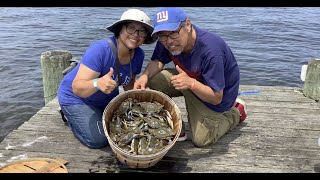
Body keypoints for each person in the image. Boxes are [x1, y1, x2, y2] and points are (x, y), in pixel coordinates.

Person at [134, 7, 247, 147]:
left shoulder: (211, 51)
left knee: (201, 139)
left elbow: (216, 97)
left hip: (216, 98)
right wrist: (144, 76)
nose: (169, 41)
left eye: (173, 33)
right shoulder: (167, 40)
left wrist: (191, 84)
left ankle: (236, 112)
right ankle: (175, 125)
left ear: (187, 25)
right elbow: (158, 61)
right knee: (152, 81)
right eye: (162, 35)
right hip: (188, 80)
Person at [57, 9, 156, 149]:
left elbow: (129, 83)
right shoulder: (101, 50)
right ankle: (69, 116)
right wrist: (97, 83)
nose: (136, 34)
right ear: (120, 29)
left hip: (106, 96)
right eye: (131, 28)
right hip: (76, 97)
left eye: (142, 31)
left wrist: (140, 95)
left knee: (128, 124)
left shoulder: (138, 54)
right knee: (99, 140)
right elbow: (77, 88)